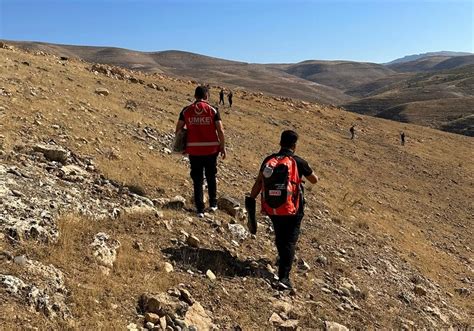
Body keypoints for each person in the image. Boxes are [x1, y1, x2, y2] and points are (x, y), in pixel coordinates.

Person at [248, 130, 318, 290]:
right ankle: (284, 277)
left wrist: (251, 199)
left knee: (280, 236)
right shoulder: (298, 161)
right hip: (293, 207)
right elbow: (314, 180)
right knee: (290, 241)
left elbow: (259, 182)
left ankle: (282, 260)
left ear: (280, 142)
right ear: (294, 145)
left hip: (273, 206)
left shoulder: (269, 160)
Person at [175, 85, 226, 217]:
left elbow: (178, 129)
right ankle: (213, 204)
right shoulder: (213, 110)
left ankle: (199, 209)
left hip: (194, 150)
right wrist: (222, 146)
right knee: (211, 176)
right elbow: (220, 130)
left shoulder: (186, 110)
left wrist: (181, 146)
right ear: (206, 96)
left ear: (195, 96)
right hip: (211, 149)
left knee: (197, 179)